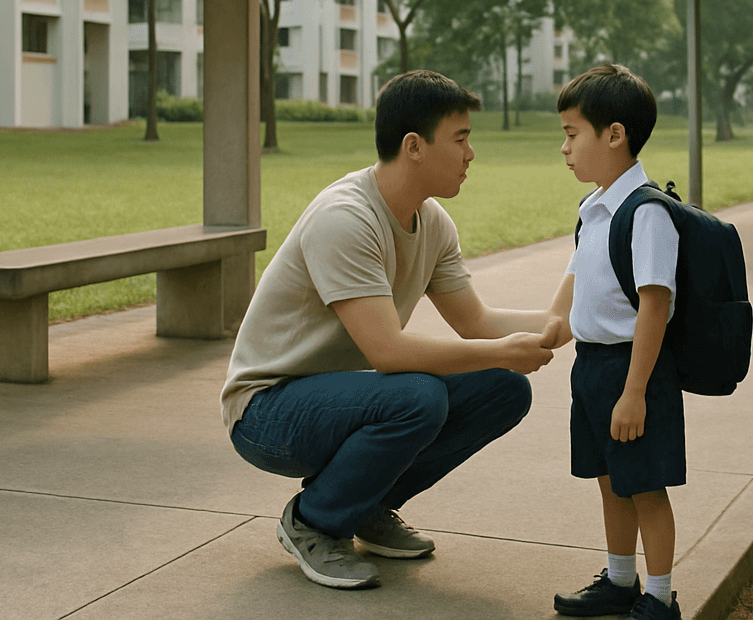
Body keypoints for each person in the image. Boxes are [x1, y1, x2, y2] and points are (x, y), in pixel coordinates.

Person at [222, 70, 557, 591]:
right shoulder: (346, 217)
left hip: (346, 402)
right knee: (416, 396)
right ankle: (314, 521)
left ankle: (368, 506)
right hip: (268, 411)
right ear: (414, 146)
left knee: (503, 388)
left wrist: (579, 318)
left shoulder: (433, 222)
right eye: (461, 139)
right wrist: (498, 349)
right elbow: (387, 351)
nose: (472, 154)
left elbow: (478, 323)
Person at [540, 64, 684, 620]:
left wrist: (635, 391)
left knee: (645, 485)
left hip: (635, 370)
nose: (564, 147)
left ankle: (660, 596)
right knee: (609, 480)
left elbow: (655, 303)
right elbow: (576, 275)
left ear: (615, 134)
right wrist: (555, 324)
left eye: (572, 133)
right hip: (593, 367)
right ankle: (621, 580)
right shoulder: (593, 208)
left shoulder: (645, 212)